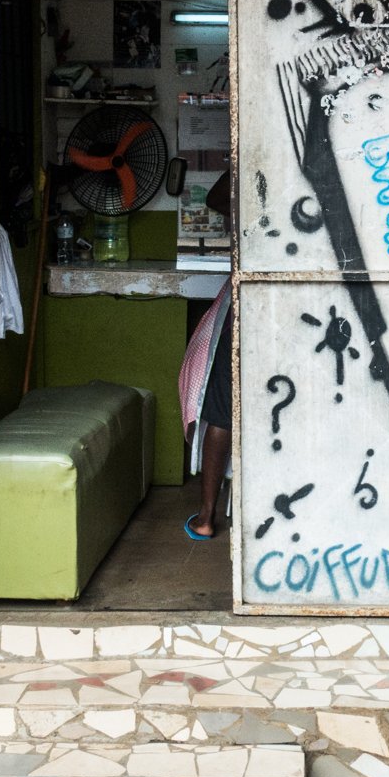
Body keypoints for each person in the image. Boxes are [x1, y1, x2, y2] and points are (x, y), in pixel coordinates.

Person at [178, 171, 233, 540]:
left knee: (222, 411)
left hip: (249, 296)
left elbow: (216, 198)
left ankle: (206, 516)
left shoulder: (253, 165)